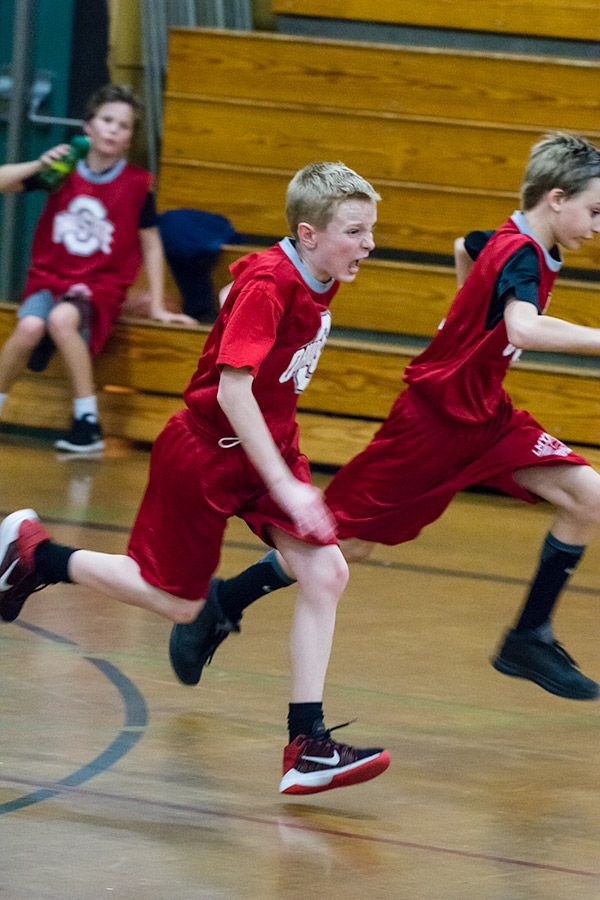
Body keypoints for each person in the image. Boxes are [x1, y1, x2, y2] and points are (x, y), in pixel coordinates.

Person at [0, 161, 390, 795]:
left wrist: (283, 473)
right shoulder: (269, 284)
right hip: (207, 452)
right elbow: (234, 391)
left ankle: (307, 745)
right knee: (177, 600)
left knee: (327, 569)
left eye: (371, 229)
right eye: (356, 231)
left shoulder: (319, 268)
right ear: (308, 233)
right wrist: (290, 486)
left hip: (264, 447)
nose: (368, 244)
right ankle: (36, 554)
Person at [179, 132, 600, 703]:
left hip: (486, 415)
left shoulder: (514, 237)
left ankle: (528, 636)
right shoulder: (523, 255)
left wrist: (463, 326)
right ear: (555, 198)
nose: (596, 225)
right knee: (343, 544)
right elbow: (523, 327)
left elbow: (465, 246)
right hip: (431, 424)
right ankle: (222, 604)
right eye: (593, 210)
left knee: (588, 498)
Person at [0, 83, 195, 453]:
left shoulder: (138, 185)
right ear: (87, 126)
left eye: (123, 126)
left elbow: (151, 245)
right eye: (106, 120)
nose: (113, 129)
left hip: (99, 284)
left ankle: (86, 421)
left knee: (60, 320)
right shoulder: (60, 170)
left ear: (129, 138)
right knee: (28, 325)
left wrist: (155, 305)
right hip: (49, 278)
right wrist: (39, 164)